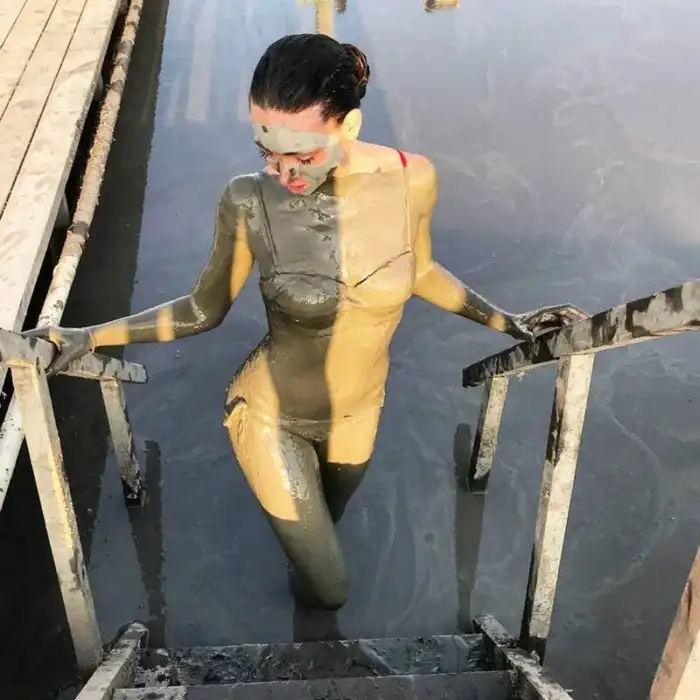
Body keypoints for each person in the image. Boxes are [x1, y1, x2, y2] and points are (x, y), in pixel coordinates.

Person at [28, 34, 586, 611]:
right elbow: (201, 309)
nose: (284, 172)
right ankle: (308, 601)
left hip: (360, 412)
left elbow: (420, 269)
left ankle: (300, 596)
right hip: (273, 415)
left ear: (350, 125)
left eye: (303, 156)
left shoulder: (411, 178)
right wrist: (87, 337)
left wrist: (506, 322)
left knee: (321, 540)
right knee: (333, 588)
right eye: (266, 153)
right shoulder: (247, 200)